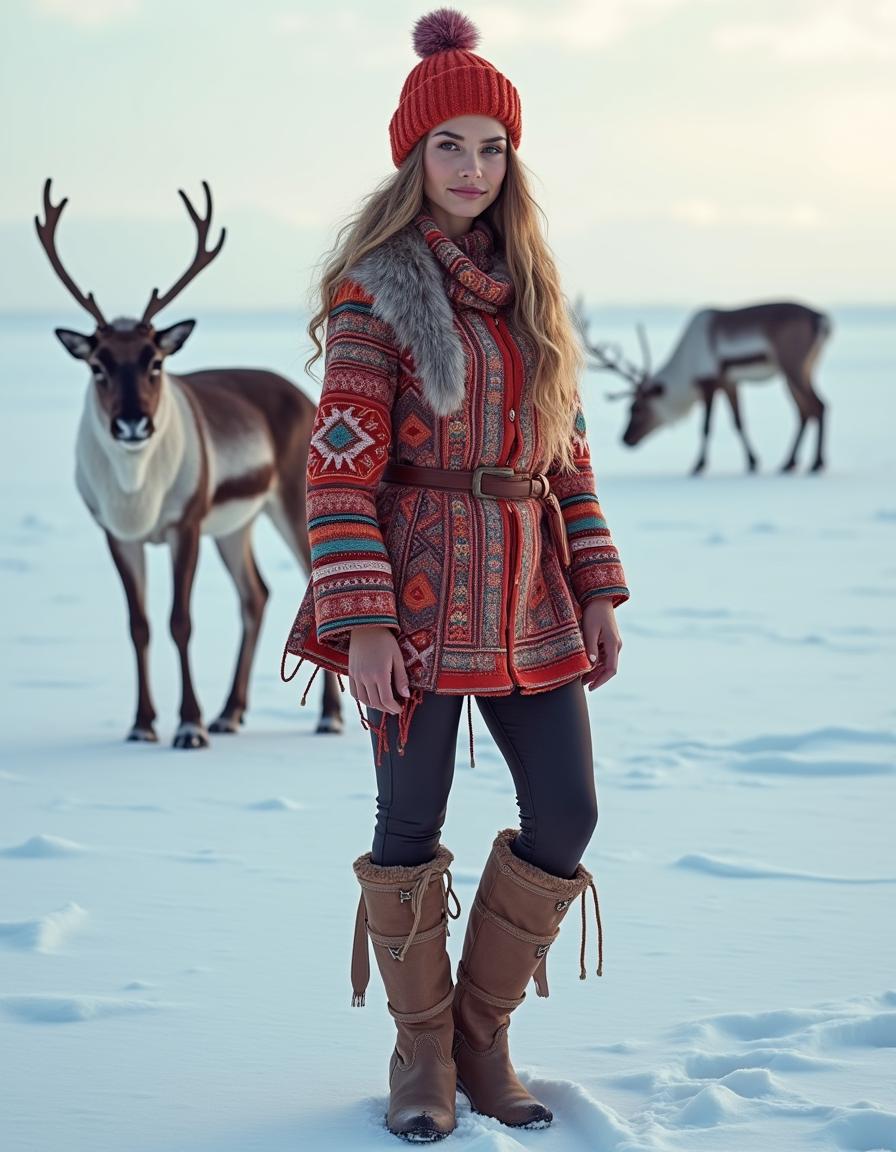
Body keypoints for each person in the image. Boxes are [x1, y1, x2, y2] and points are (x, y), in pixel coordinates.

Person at [281, 7, 630, 1142]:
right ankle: (421, 1051)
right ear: (411, 156)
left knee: (565, 814)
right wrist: (364, 622)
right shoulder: (374, 294)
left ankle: (481, 1034)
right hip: (415, 600)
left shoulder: (533, 290)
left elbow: (564, 459)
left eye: (490, 147)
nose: (472, 169)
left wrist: (596, 589)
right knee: (406, 826)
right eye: (449, 147)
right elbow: (337, 477)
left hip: (529, 599)